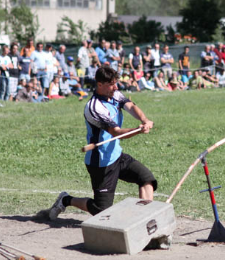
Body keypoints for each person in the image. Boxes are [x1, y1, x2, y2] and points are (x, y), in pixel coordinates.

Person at [49, 66, 157, 220]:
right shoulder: (94, 108)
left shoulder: (114, 94)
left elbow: (131, 106)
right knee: (101, 209)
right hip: (101, 163)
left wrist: (144, 120)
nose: (116, 87)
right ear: (100, 84)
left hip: (117, 156)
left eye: (115, 83)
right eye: (112, 84)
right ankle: (66, 200)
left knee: (146, 179)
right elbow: (116, 132)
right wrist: (138, 130)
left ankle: (145, 220)